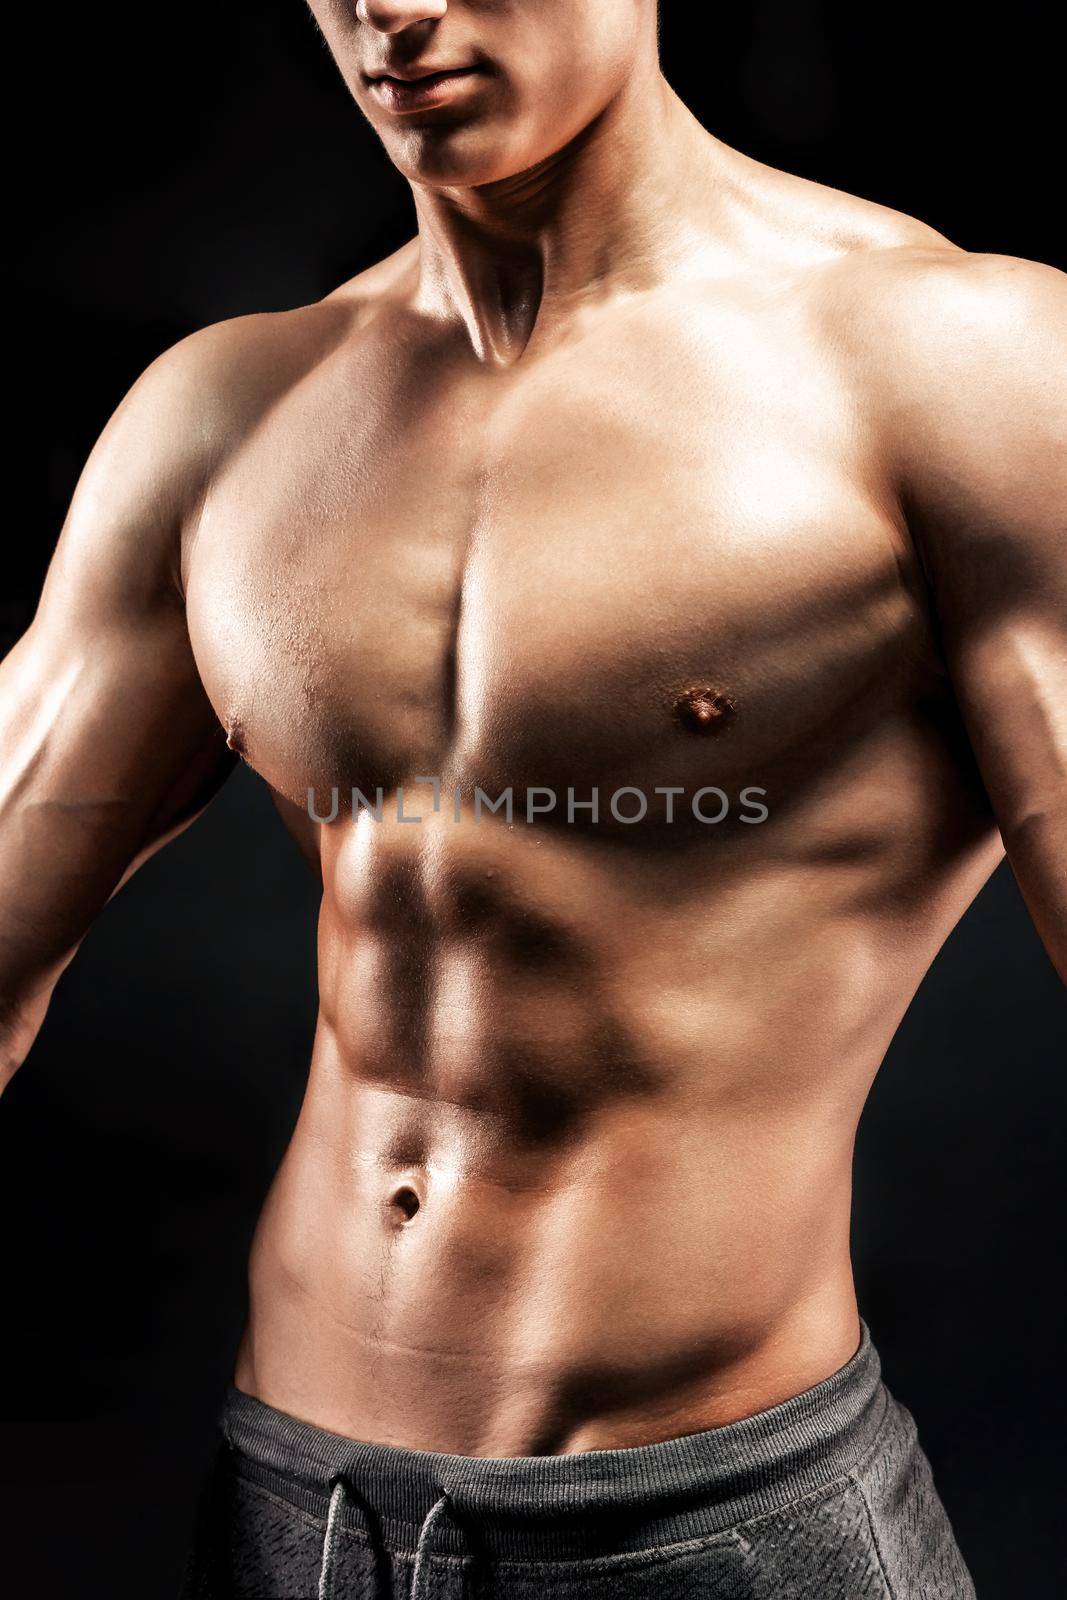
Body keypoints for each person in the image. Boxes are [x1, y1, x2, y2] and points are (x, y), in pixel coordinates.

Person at [2, 2, 1064, 1595]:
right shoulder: (225, 417)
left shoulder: (953, 367)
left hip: (707, 1527)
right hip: (292, 1514)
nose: (395, 5)